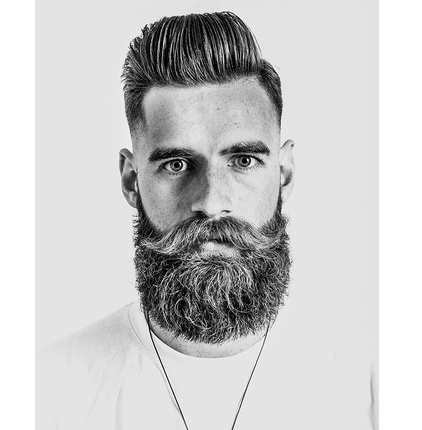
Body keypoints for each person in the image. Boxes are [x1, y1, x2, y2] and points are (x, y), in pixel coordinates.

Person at [37, 11, 377, 430]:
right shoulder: (42, 395)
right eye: (177, 164)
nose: (212, 203)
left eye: (244, 160)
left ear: (284, 174)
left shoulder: (376, 386)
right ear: (131, 180)